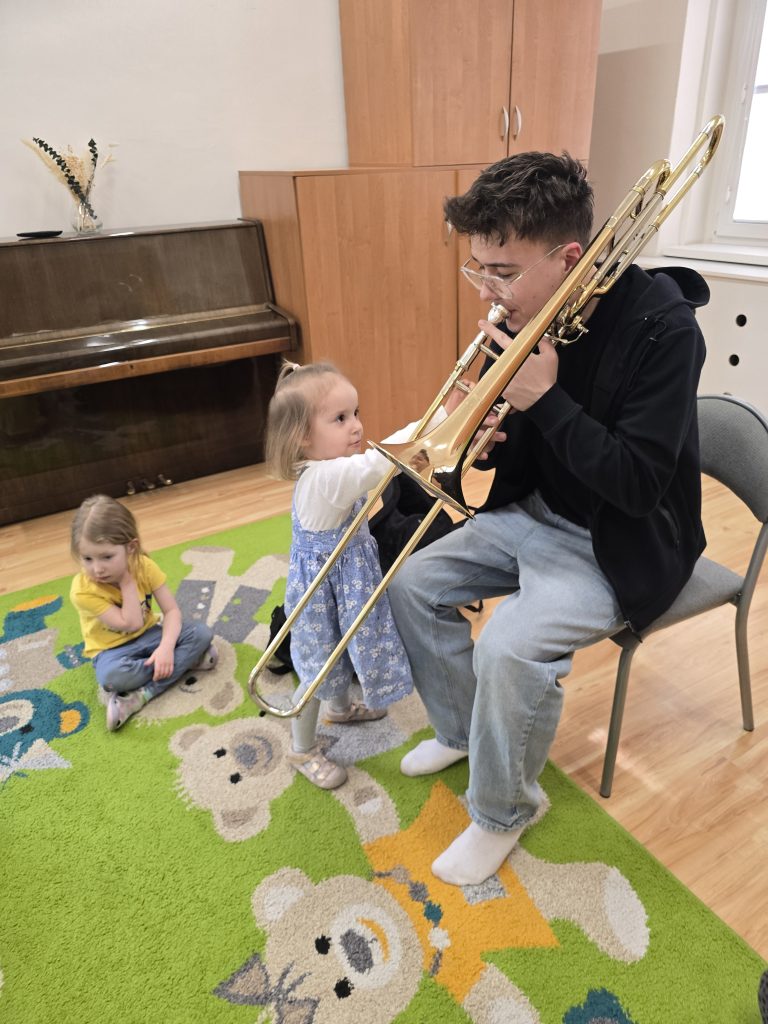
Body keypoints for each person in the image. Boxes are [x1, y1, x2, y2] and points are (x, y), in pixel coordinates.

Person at [388, 151, 709, 886]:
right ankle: (465, 732)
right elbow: (531, 434)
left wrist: (546, 403)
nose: (487, 291)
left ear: (569, 258)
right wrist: (490, 432)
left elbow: (637, 486)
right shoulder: (531, 311)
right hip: (536, 510)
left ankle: (502, 812)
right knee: (411, 582)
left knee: (508, 647)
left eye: (502, 272)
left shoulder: (664, 332)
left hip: (616, 542)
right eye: (478, 269)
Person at [265, 361, 453, 790]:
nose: (356, 425)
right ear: (302, 437)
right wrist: (441, 416)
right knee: (318, 668)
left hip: (342, 584)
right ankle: (301, 748)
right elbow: (379, 462)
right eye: (339, 418)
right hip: (322, 595)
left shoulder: (330, 470)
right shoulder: (325, 479)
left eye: (355, 413)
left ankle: (341, 709)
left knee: (341, 649)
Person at [70, 494, 217, 731]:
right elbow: (131, 623)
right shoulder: (82, 590)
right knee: (111, 678)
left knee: (201, 633)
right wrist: (127, 582)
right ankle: (182, 663)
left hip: (150, 634)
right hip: (112, 651)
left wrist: (166, 648)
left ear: (131, 548)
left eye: (107, 557)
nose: (97, 568)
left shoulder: (144, 566)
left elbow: (171, 611)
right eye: (87, 558)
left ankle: (143, 691)